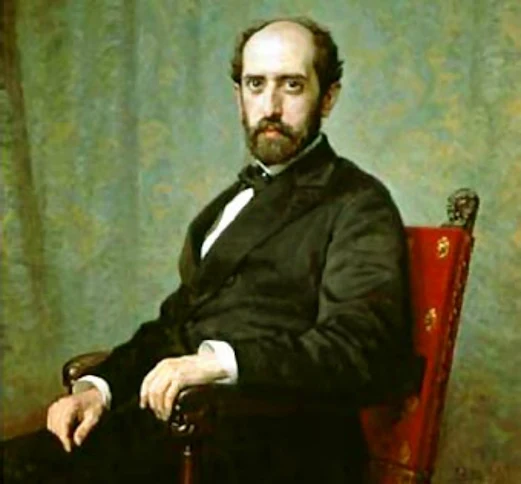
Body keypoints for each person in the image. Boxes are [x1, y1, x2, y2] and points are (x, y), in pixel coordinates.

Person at [3, 16, 421, 483]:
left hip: (281, 450)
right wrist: (99, 389)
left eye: (292, 85)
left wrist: (218, 364)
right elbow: (174, 325)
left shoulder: (358, 203)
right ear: (239, 96)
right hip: (187, 431)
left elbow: (360, 349)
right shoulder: (228, 206)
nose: (271, 107)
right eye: (256, 85)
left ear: (328, 97)